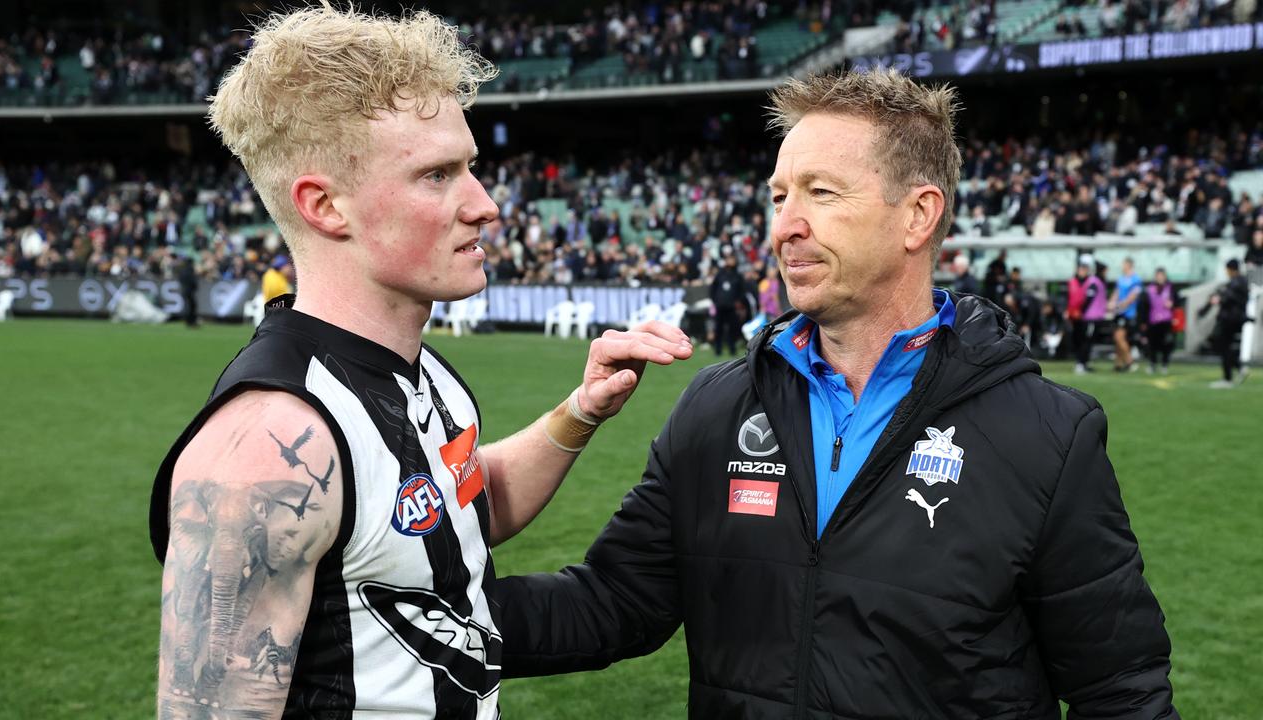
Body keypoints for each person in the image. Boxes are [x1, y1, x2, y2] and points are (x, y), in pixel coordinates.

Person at [494, 70, 1177, 717]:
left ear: (917, 216)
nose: (784, 224)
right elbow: (611, 602)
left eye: (820, 193)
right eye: (778, 196)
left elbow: (1120, 691)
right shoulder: (718, 406)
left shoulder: (1047, 435)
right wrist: (421, 614)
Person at [148, 6, 692, 719]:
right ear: (325, 206)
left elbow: (455, 508)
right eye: (437, 175)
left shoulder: (427, 376)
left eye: (471, 168)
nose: (486, 205)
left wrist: (580, 411)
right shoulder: (272, 449)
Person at [1208, 258, 1251, 388]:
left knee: (1223, 347)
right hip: (1234, 319)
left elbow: (1228, 298)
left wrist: (1219, 298)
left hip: (1230, 319)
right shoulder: (1241, 281)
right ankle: (1238, 368)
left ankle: (1228, 378)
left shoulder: (1236, 282)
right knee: (1224, 347)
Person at [1067, 258, 1108, 374]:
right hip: (1091, 317)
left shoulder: (1093, 281)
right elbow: (1088, 299)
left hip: (1093, 317)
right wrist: (1082, 311)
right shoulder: (1094, 282)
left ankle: (1084, 363)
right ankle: (1081, 363)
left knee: (1087, 341)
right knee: (1086, 341)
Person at [710, 254, 747, 356]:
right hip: (720, 306)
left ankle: (732, 350)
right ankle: (718, 350)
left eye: (732, 259)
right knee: (718, 329)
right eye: (728, 259)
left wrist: (738, 302)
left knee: (732, 329)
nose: (730, 261)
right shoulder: (720, 274)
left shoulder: (737, 275)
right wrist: (716, 301)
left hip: (732, 307)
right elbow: (713, 289)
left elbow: (742, 291)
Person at [1111, 256, 1143, 371]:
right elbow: (1116, 292)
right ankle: (1118, 363)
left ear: (1129, 265)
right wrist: (1111, 303)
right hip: (1119, 312)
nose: (1122, 267)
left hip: (1128, 313)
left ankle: (1130, 361)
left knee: (1119, 337)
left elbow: (1132, 297)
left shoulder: (1136, 279)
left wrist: (1120, 305)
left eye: (1124, 264)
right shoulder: (1121, 279)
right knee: (1118, 338)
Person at [1145, 267, 1176, 374]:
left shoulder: (1170, 287)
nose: (1160, 277)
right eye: (1158, 275)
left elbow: (1176, 301)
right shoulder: (1150, 288)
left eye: (1162, 275)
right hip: (1153, 320)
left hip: (1166, 320)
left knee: (1166, 344)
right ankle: (1152, 364)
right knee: (1152, 344)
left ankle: (1164, 364)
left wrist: (1172, 304)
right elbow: (1146, 305)